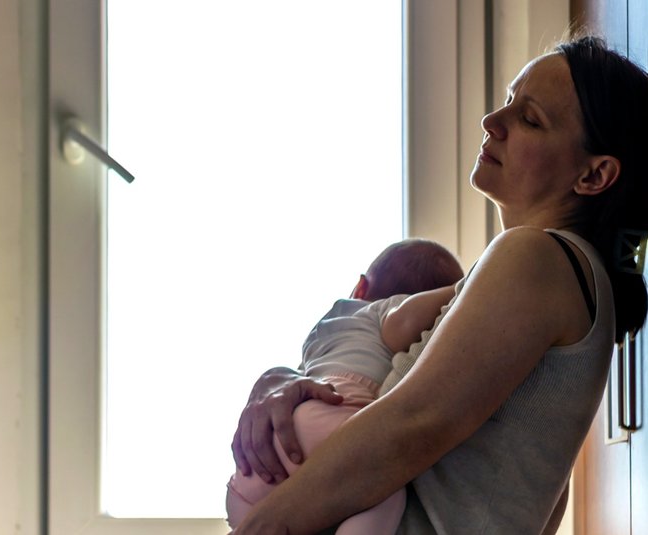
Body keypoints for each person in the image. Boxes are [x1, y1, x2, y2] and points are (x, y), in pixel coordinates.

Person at [229, 34, 648, 534]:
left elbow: (409, 426)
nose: (493, 122)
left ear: (595, 175)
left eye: (529, 118)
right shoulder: (561, 279)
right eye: (509, 101)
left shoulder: (537, 256)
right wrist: (292, 381)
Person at [225, 238, 464, 532]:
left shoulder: (326, 327)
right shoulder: (381, 310)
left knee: (250, 514)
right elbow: (403, 324)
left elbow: (304, 374)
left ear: (360, 288)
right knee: (383, 486)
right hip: (342, 416)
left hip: (284, 432)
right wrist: (466, 289)